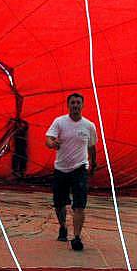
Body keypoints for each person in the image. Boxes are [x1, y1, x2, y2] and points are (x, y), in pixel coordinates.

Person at [45, 93, 97, 251]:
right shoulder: (59, 122)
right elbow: (48, 139)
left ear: (83, 105)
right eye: (73, 103)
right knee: (60, 204)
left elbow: (92, 147)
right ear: (68, 105)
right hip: (61, 169)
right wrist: (53, 143)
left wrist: (93, 163)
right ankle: (63, 226)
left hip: (79, 168)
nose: (75, 105)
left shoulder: (89, 126)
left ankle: (76, 237)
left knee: (79, 205)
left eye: (78, 103)